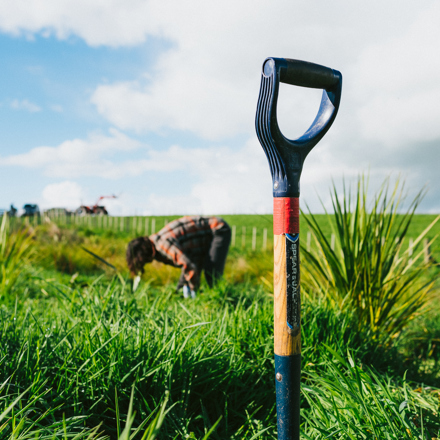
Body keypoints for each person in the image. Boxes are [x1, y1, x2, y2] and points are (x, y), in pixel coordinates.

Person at [126, 216, 231, 298]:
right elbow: (186, 264)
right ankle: (180, 297)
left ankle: (220, 303)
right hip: (199, 244)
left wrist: (194, 289)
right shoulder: (156, 241)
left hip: (218, 229)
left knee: (211, 273)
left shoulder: (162, 245)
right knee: (186, 280)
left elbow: (188, 266)